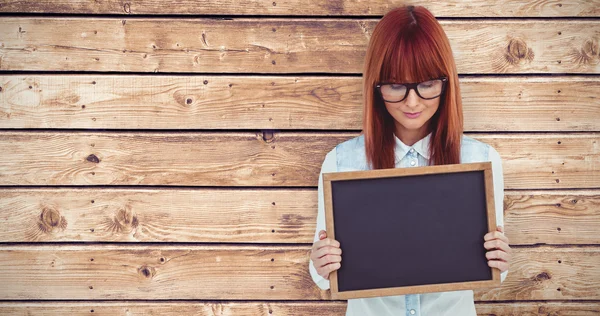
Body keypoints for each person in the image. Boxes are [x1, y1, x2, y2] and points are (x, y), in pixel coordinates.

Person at [308, 5, 511, 316]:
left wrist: (499, 259)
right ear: (376, 87)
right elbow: (321, 277)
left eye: (427, 84)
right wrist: (321, 262)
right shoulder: (342, 162)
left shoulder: (480, 160)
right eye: (396, 86)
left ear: (446, 83)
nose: (412, 102)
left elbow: (493, 269)